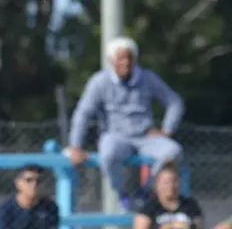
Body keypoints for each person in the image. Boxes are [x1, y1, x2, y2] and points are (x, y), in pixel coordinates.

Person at [65, 36, 185, 211]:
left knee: (173, 151)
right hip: (115, 136)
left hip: (146, 136)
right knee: (108, 153)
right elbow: (83, 113)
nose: (126, 63)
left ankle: (147, 190)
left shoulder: (147, 78)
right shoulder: (99, 81)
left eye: (130, 58)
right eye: (121, 58)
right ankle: (122, 192)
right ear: (111, 61)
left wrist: (167, 130)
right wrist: (76, 145)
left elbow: (174, 102)